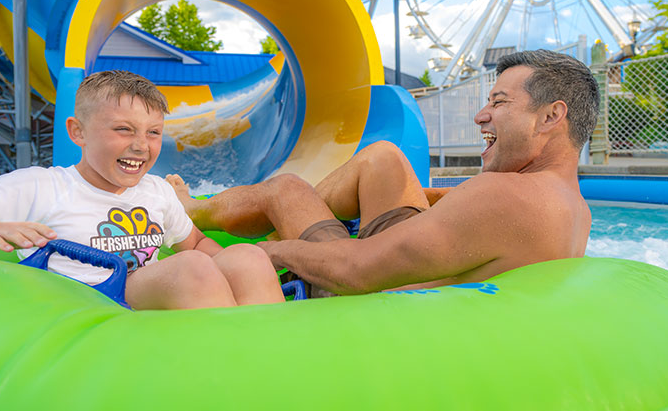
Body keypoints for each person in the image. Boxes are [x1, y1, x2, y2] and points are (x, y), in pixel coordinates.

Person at [167, 50, 598, 296]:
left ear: (550, 117)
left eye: (499, 103)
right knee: (384, 158)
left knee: (286, 190)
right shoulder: (571, 206)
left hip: (367, 297)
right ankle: (289, 220)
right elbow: (479, 227)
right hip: (417, 266)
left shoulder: (505, 195)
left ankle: (193, 212)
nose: (481, 116)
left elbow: (356, 273)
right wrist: (431, 197)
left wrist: (273, 251)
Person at [0, 70, 283, 309]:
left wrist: (231, 272)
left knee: (247, 259)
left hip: (141, 289)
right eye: (123, 129)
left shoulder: (156, 191)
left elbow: (198, 244)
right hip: (86, 303)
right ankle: (224, 372)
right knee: (193, 270)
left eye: (153, 132)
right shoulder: (38, 186)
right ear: (78, 132)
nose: (142, 145)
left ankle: (274, 359)